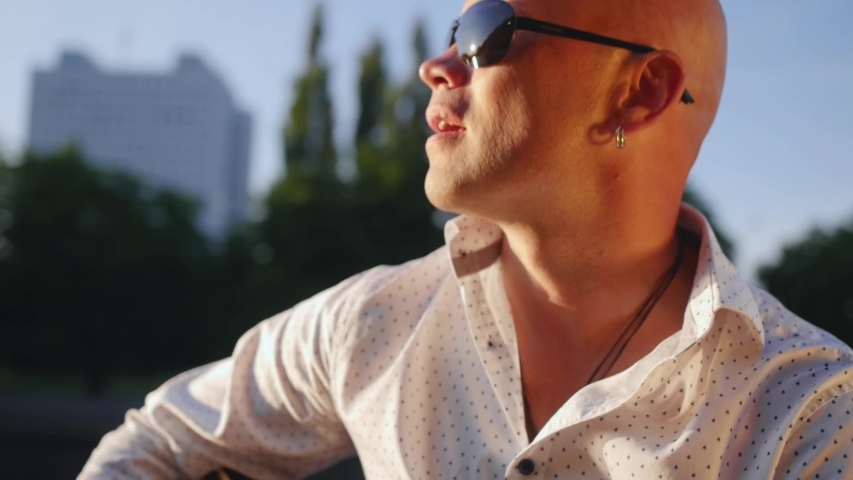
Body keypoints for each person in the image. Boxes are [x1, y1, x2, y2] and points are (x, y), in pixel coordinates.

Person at [80, 0, 853, 478]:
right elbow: (158, 446)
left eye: (487, 29)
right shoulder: (373, 325)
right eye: (454, 28)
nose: (435, 63)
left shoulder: (810, 419)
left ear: (640, 90)